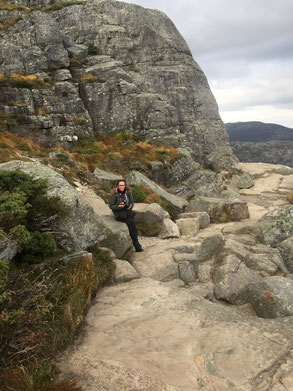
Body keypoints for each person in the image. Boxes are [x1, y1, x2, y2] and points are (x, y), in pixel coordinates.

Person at [109, 180, 143, 252]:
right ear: (117, 186)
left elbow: (132, 202)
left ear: (125, 186)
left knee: (132, 224)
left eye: (123, 185)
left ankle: (136, 244)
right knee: (132, 224)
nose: (122, 187)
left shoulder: (128, 193)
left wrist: (130, 206)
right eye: (120, 185)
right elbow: (111, 206)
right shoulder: (114, 194)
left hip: (127, 211)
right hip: (119, 213)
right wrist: (119, 206)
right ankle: (136, 244)